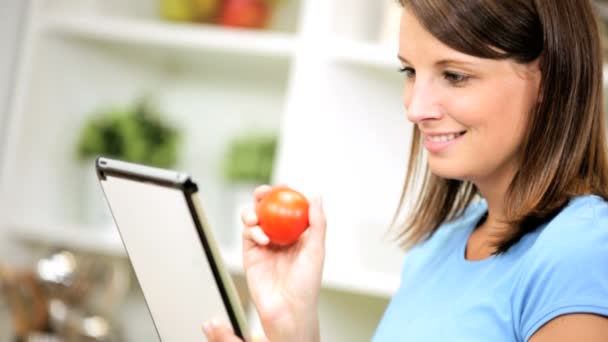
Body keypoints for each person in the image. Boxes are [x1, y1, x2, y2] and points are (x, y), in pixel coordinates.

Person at [203, 0, 608, 340]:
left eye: (454, 76)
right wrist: (292, 324)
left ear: (548, 81)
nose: (415, 108)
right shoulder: (441, 245)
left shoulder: (579, 250)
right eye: (410, 72)